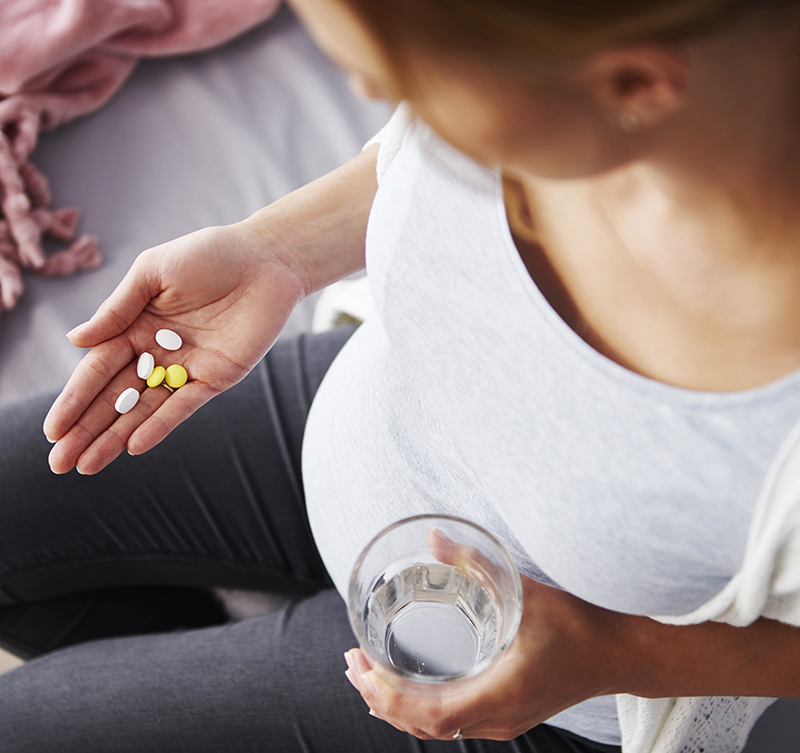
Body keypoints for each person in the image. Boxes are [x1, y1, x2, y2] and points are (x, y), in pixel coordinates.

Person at [2, 0, 800, 750]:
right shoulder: (550, 48)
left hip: (517, 677)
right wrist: (276, 250)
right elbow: (416, 152)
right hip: (356, 405)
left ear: (631, 85)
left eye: (396, 82)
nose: (367, 95)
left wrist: (619, 651)